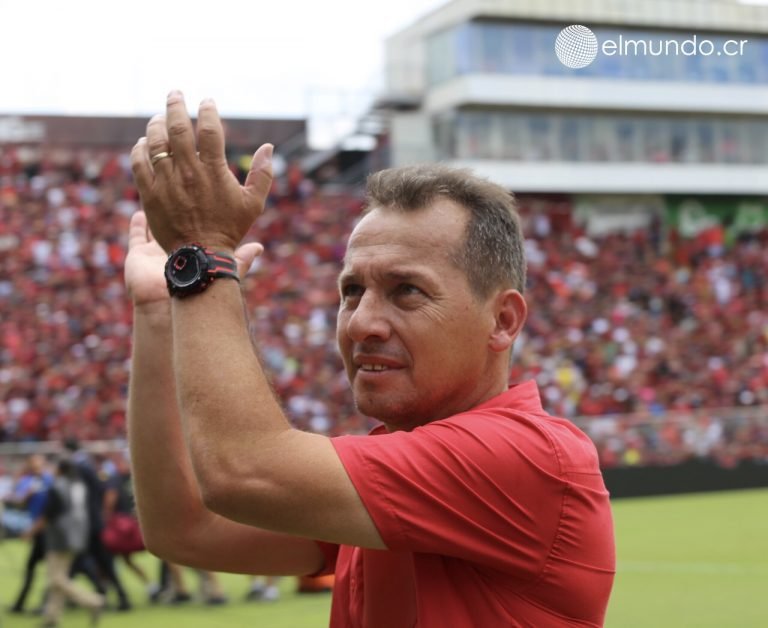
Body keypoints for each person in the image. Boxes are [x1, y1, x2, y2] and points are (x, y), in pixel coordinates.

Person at [126, 91, 615, 627]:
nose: (361, 322)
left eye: (407, 291)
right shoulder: (400, 468)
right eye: (352, 291)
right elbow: (186, 527)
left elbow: (240, 472)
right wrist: (157, 313)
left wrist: (203, 254)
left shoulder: (525, 455)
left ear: (502, 321)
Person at [28, 458, 105, 627]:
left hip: (59, 538)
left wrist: (30, 532)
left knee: (56, 579)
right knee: (58, 577)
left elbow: (49, 514)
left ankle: (93, 601)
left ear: (60, 469)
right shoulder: (78, 485)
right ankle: (52, 618)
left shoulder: (57, 486)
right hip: (78, 535)